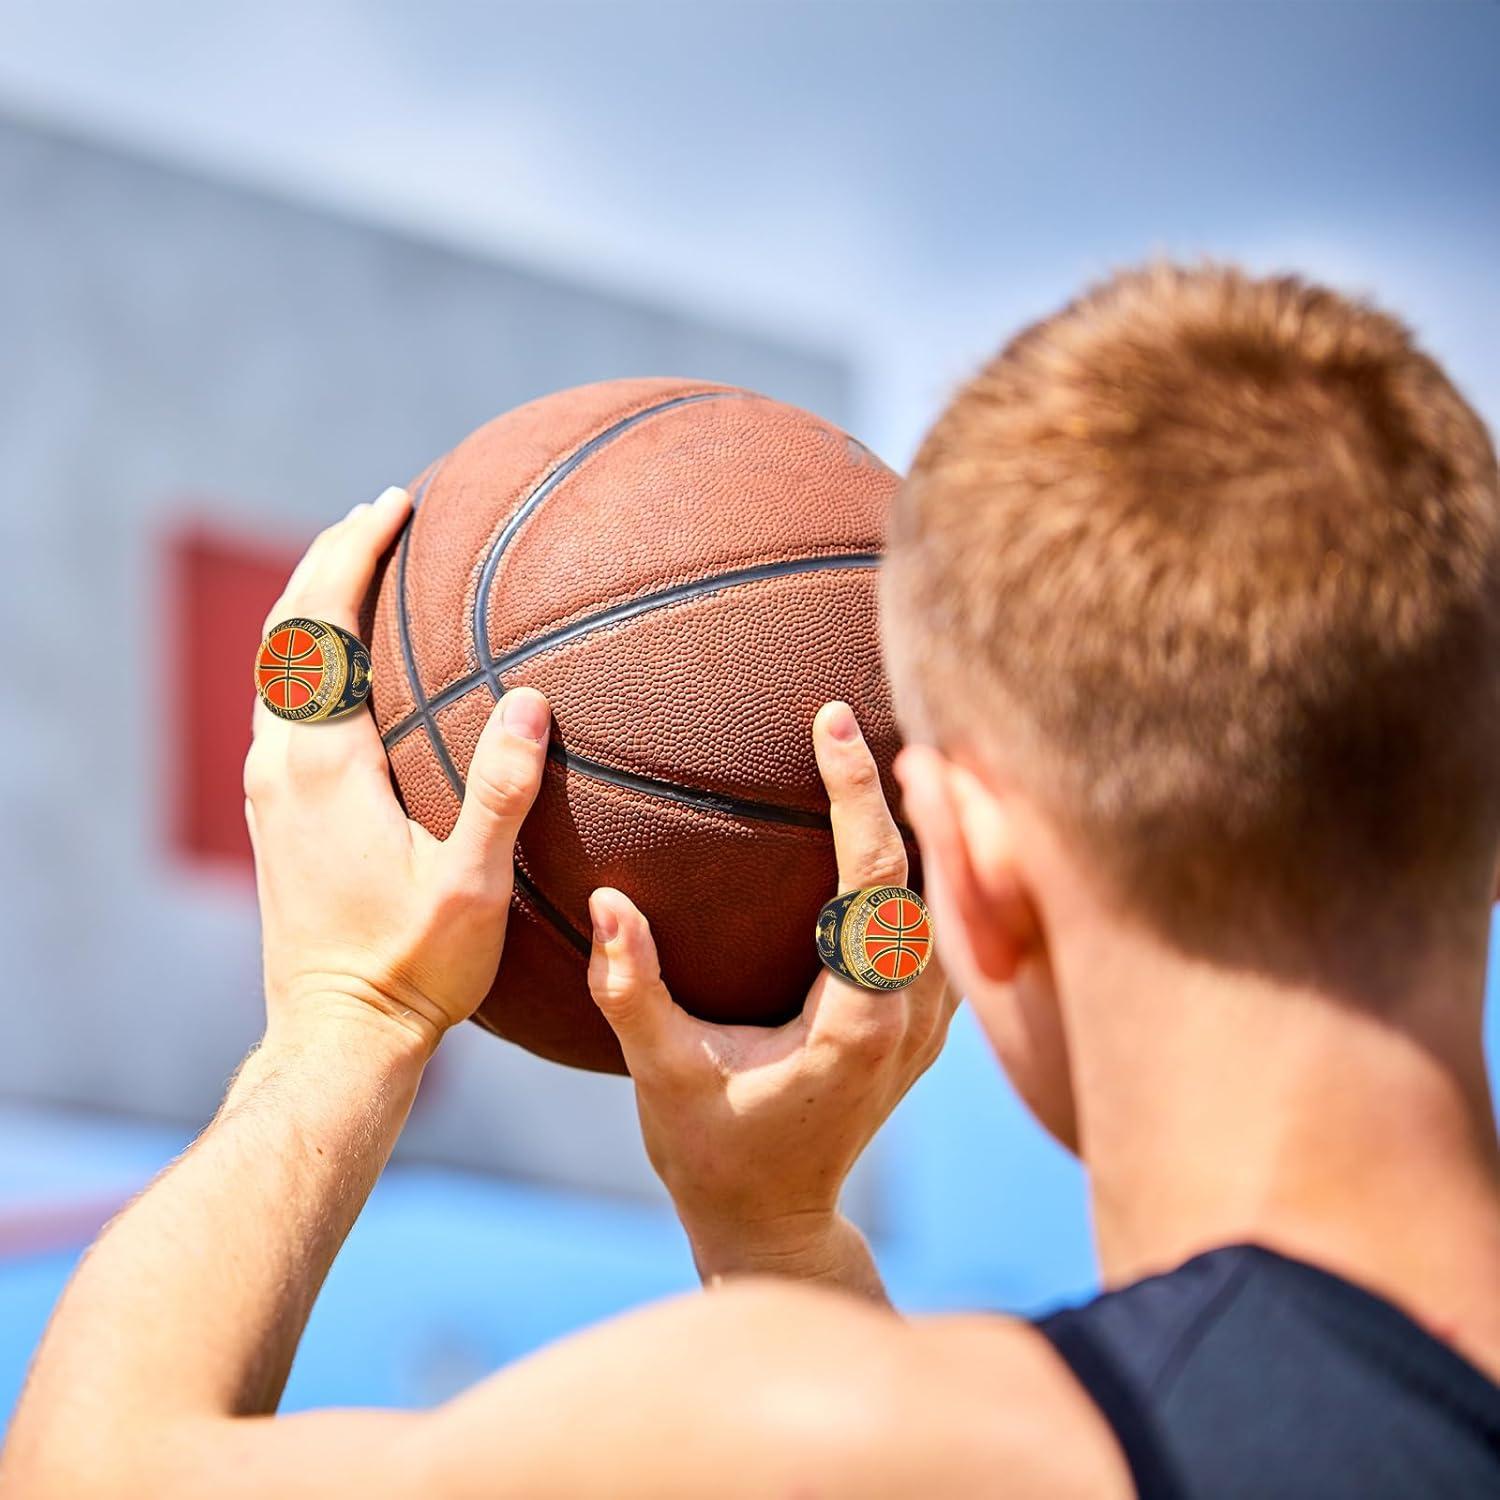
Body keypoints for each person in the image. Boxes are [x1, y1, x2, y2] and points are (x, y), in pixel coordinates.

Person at [5, 263, 1500, 1498]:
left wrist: (346, 1008)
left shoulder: (915, 1450)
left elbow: (95, 1474)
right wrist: (776, 1238)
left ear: (967, 874)